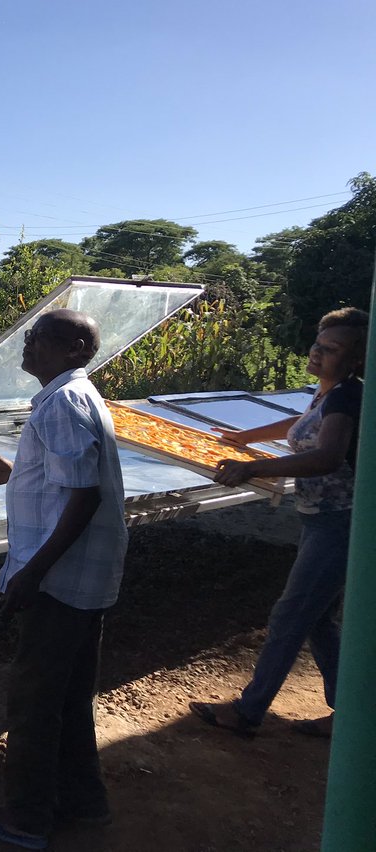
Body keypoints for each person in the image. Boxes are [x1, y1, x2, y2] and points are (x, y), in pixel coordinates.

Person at [0, 308, 128, 850]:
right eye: (29, 338)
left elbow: (84, 497)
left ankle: (28, 818)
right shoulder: (76, 398)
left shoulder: (62, 402)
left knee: (34, 700)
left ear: (76, 348)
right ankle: (86, 801)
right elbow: (71, 478)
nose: (27, 348)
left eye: (39, 340)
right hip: (84, 580)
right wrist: (19, 473)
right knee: (70, 696)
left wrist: (32, 573)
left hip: (59, 582)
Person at [190, 306, 367, 739]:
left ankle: (249, 712)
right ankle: (350, 714)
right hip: (322, 519)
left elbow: (327, 455)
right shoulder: (331, 391)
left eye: (333, 348)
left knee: (290, 615)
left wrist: (254, 467)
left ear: (358, 358)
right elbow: (305, 423)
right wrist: (244, 437)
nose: (318, 352)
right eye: (319, 343)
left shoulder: (348, 395)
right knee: (318, 619)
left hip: (339, 522)